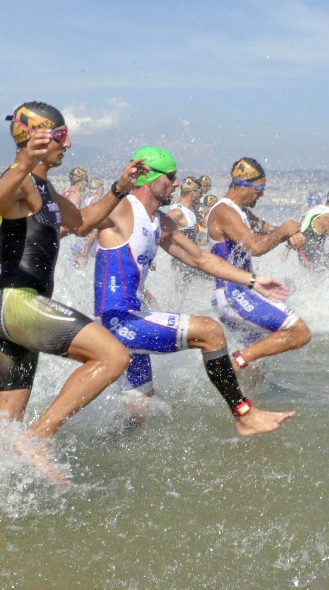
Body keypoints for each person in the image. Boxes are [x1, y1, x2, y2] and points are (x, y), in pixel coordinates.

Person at [0, 101, 148, 484]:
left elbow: (82, 222)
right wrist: (21, 162)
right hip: (18, 304)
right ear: (36, 138)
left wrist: (121, 188)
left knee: (2, 423)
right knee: (113, 356)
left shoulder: (42, 186)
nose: (67, 146)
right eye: (62, 137)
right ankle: (38, 438)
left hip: (7, 314)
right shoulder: (18, 179)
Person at [93, 146, 297, 434]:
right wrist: (118, 186)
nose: (177, 183)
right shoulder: (122, 208)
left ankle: (103, 453)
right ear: (148, 178)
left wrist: (251, 280)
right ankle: (243, 414)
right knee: (210, 331)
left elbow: (200, 258)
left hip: (130, 320)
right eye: (171, 177)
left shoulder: (160, 222)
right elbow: (80, 223)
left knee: (137, 411)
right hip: (116, 321)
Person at [204, 157, 311, 372]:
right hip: (233, 294)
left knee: (257, 367)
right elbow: (256, 247)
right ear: (242, 186)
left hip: (237, 294)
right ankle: (233, 363)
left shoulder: (241, 212)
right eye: (259, 189)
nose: (261, 194)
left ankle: (241, 400)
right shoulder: (225, 212)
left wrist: (289, 234)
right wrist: (284, 232)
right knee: (300, 332)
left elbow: (268, 229)